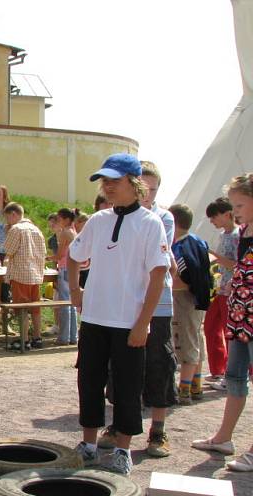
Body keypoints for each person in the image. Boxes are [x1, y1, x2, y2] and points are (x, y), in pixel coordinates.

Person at [68, 153, 170, 475]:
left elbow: (158, 275)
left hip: (128, 322)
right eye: (104, 181)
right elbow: (73, 256)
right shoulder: (98, 221)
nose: (108, 186)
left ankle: (123, 449)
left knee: (127, 387)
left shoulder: (150, 223)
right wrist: (74, 291)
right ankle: (89, 444)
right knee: (89, 380)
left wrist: (143, 323)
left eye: (114, 180)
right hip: (95, 318)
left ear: (134, 183)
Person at [98, 160, 179, 458]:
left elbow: (158, 262)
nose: (147, 194)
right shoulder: (111, 216)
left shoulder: (161, 218)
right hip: (121, 304)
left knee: (158, 363)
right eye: (143, 187)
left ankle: (158, 428)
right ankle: (118, 425)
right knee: (119, 368)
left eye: (152, 189)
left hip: (156, 304)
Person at [192, 173, 253, 472]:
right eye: (233, 204)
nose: (235, 210)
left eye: (240, 204)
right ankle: (223, 438)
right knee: (235, 377)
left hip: (250, 315)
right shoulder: (242, 232)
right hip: (240, 312)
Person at [169, 204, 212, 404]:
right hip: (198, 300)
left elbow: (184, 276)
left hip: (185, 299)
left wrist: (166, 284)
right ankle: (196, 384)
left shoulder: (181, 247)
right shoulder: (199, 241)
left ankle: (184, 388)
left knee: (186, 342)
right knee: (196, 338)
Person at [203, 197, 239, 390]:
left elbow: (235, 264)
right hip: (220, 288)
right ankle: (218, 368)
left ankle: (232, 373)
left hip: (231, 290)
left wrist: (214, 255)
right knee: (210, 326)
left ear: (227, 214)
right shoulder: (225, 234)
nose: (212, 221)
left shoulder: (236, 235)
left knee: (228, 332)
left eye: (214, 217)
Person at [3, 202, 46, 350]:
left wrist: (7, 231)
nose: (7, 222)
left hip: (21, 274)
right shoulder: (37, 229)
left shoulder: (16, 229)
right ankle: (37, 337)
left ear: (13, 214)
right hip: (36, 275)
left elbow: (8, 250)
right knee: (35, 308)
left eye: (7, 218)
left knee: (22, 308)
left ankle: (24, 339)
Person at [55, 208, 78, 345]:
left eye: (59, 219)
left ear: (66, 219)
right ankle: (72, 336)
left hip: (64, 268)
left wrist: (48, 257)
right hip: (72, 268)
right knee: (71, 304)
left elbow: (59, 254)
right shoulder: (73, 231)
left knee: (64, 304)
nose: (58, 222)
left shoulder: (65, 233)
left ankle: (63, 337)